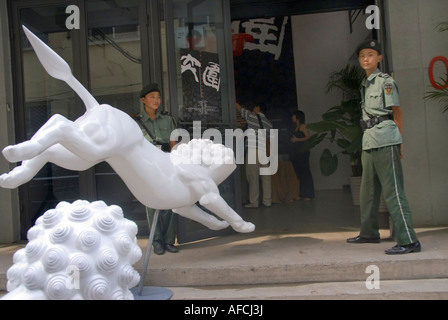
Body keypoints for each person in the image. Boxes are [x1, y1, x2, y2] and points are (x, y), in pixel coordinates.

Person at [346, 39, 421, 255]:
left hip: (386, 138)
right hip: (369, 139)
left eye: (370, 54)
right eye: (362, 56)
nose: (365, 59)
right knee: (367, 191)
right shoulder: (365, 84)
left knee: (393, 191)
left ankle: (408, 240)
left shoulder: (385, 82)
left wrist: (399, 140)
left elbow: (396, 111)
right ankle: (369, 233)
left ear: (379, 58)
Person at [139, 83, 178, 255]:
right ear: (143, 100)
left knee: (169, 203)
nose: (156, 100)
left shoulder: (168, 120)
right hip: (148, 167)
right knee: (152, 205)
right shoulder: (136, 123)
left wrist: (176, 162)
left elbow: (173, 144)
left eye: (158, 97)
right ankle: (156, 242)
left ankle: (169, 241)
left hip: (166, 164)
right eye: (152, 96)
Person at [236, 101, 273, 208]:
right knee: (266, 177)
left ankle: (254, 202)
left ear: (258, 108)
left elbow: (240, 109)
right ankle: (267, 201)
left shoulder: (252, 117)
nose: (253, 109)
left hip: (253, 151)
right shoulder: (269, 123)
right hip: (264, 152)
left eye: (254, 107)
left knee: (253, 176)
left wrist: (233, 100)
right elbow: (270, 139)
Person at [290, 110, 315, 200]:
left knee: (305, 171)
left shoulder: (302, 126)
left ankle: (308, 194)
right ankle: (302, 193)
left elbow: (308, 137)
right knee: (300, 173)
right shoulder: (296, 127)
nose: (292, 117)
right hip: (297, 152)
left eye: (294, 116)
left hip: (303, 152)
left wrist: (297, 140)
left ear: (297, 117)